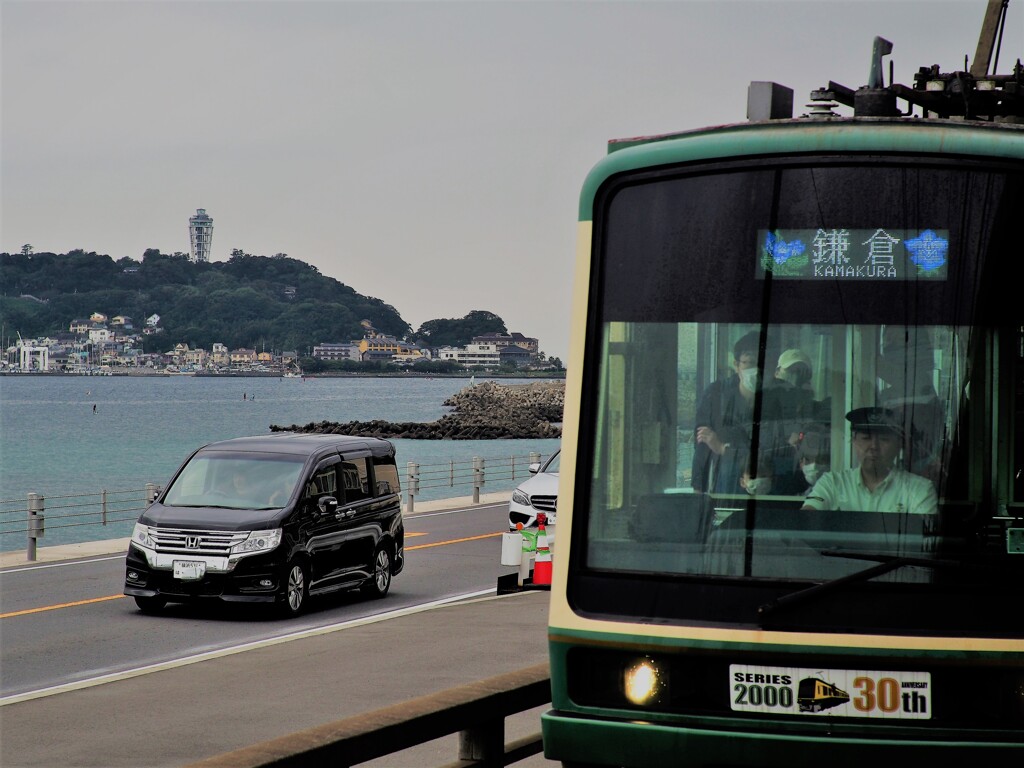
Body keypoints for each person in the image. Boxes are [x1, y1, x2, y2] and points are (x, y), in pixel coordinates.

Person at [692, 331, 783, 493]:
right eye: (750, 363)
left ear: (774, 367)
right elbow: (702, 447)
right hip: (727, 486)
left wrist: (725, 449)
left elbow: (779, 449)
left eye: (764, 363)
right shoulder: (716, 394)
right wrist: (698, 492)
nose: (757, 370)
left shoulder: (785, 395)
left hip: (773, 487)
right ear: (736, 365)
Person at [801, 407, 936, 515]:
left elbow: (923, 542)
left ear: (898, 445)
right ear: (854, 442)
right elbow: (807, 519)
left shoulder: (919, 490)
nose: (873, 447)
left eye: (884, 439)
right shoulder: (832, 483)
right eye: (866, 438)